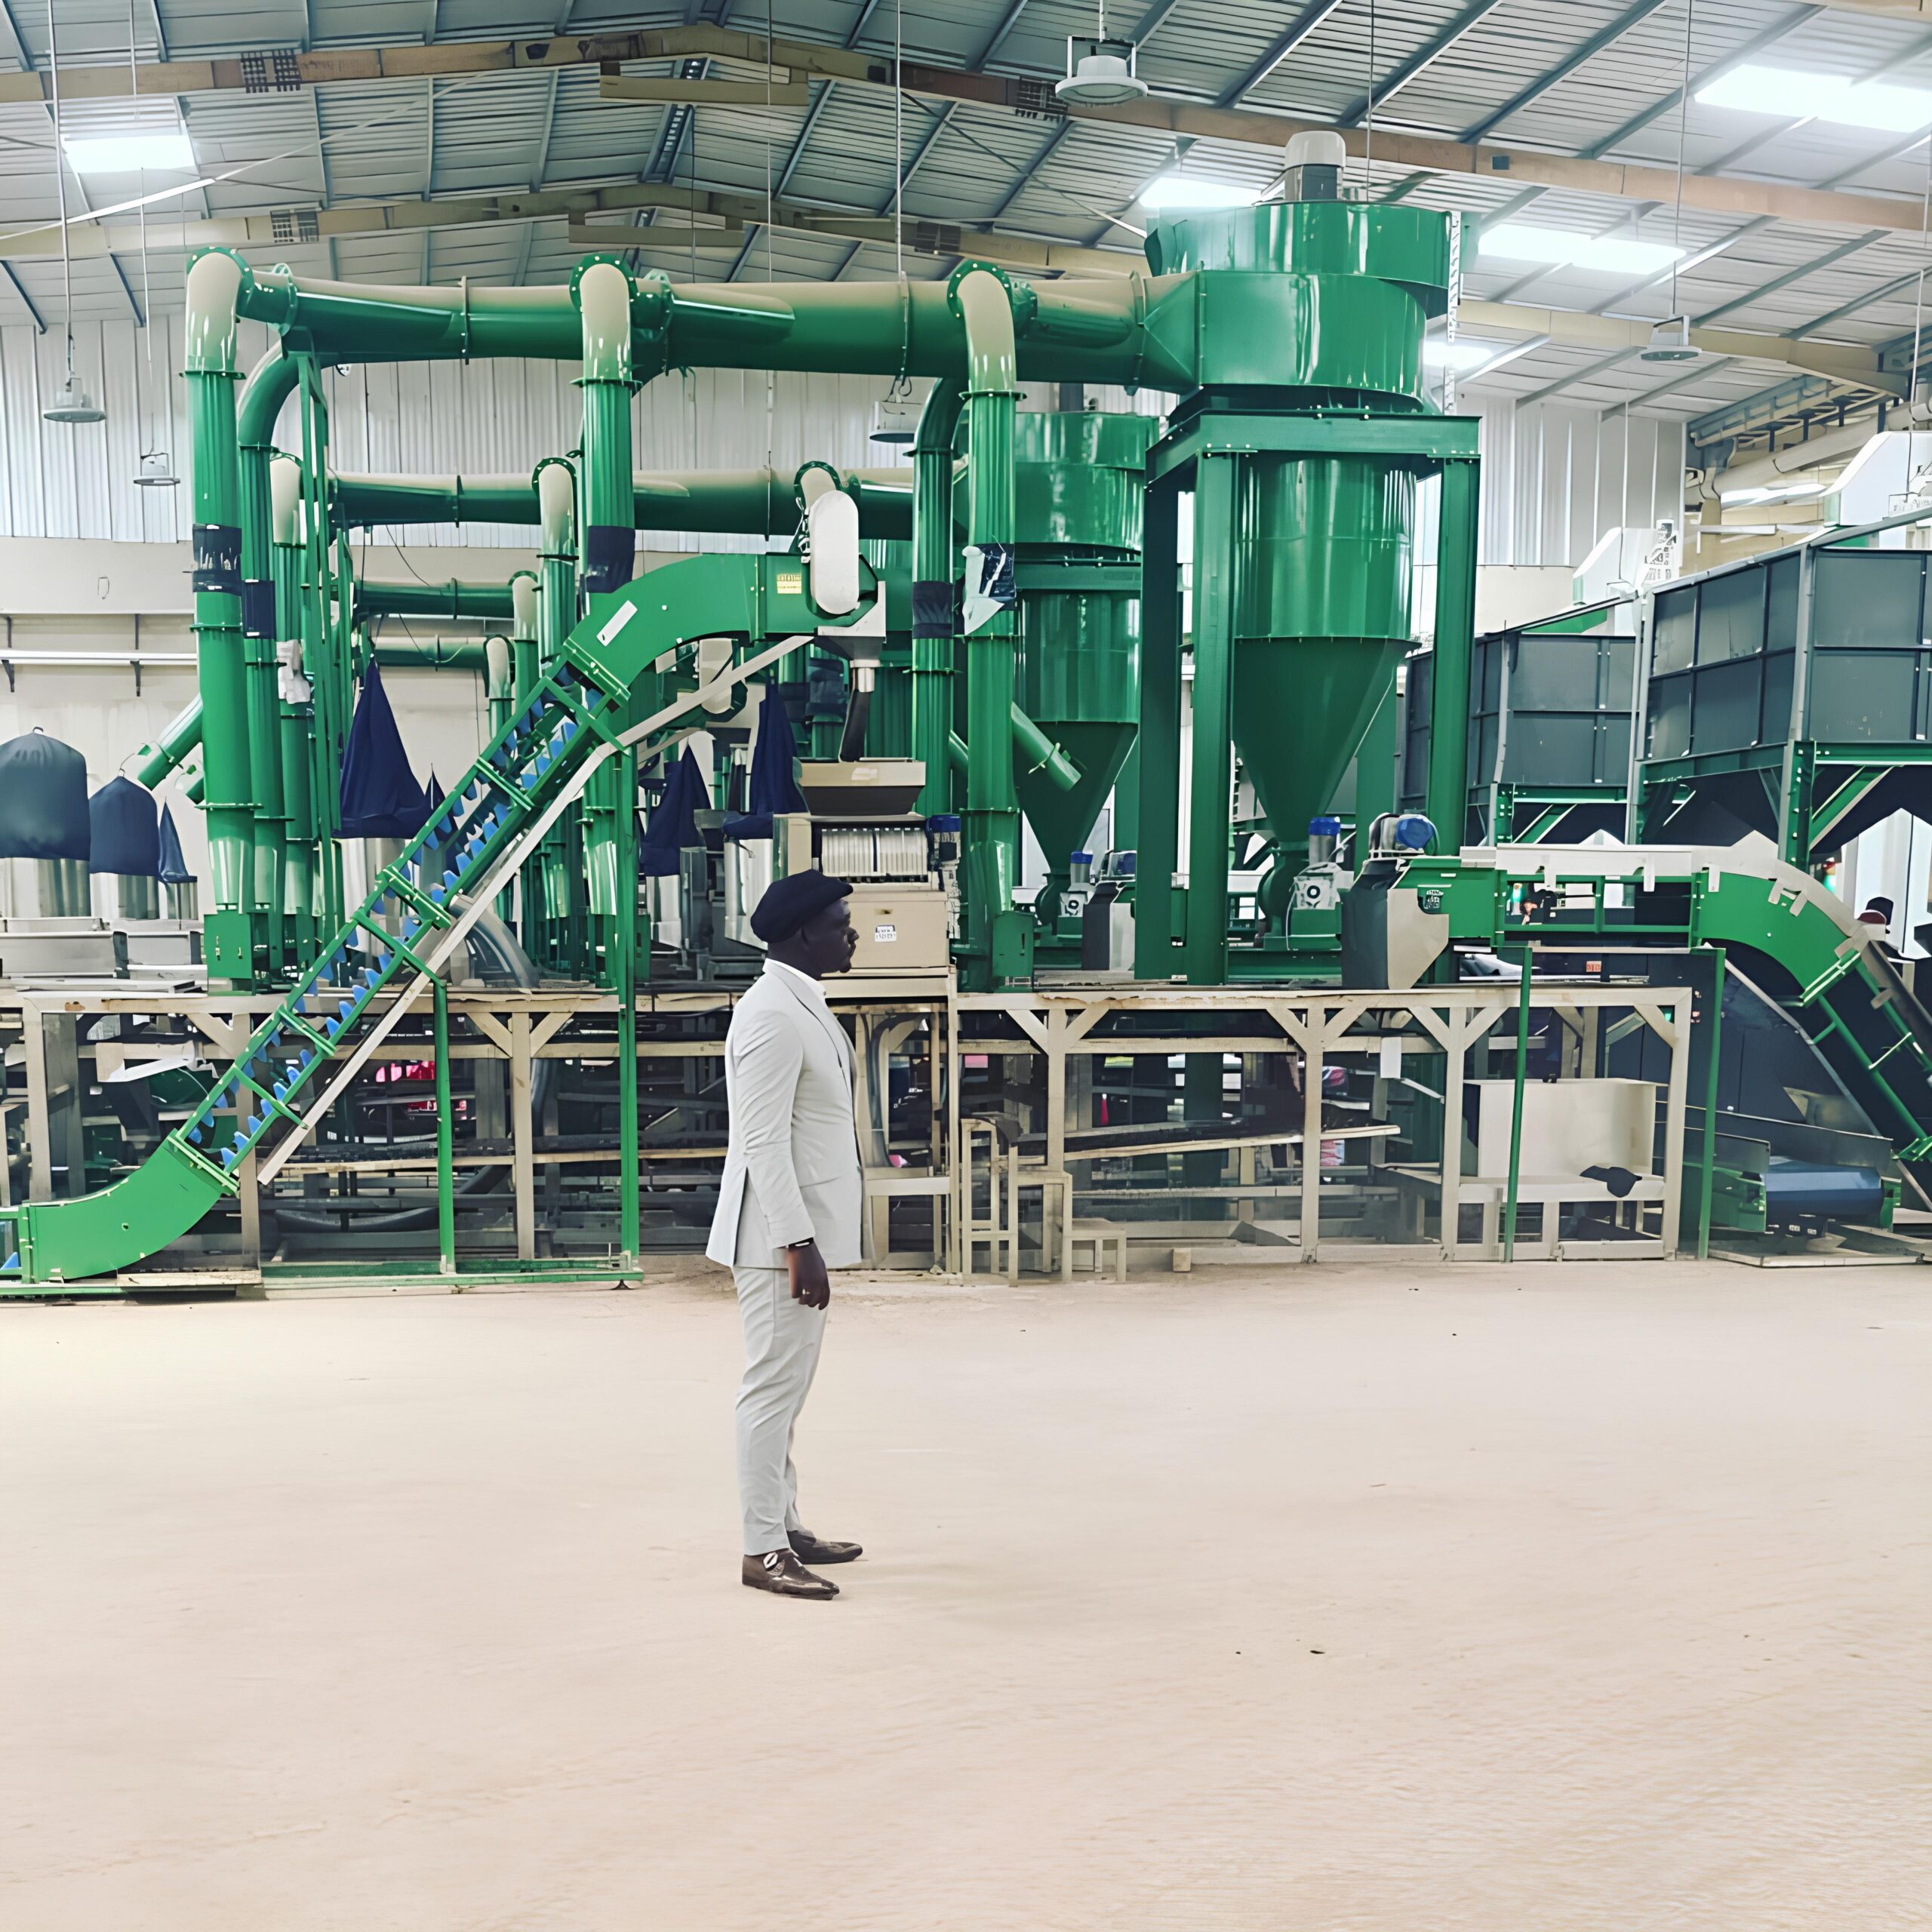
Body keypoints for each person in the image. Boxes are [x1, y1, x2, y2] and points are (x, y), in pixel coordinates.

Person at [706, 869, 863, 1601]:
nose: (852, 935)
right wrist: (797, 1245)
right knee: (769, 1392)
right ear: (803, 934)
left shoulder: (801, 1002)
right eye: (840, 925)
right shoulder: (770, 1014)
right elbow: (762, 1142)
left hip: (795, 1236)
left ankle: (785, 1523)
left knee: (787, 1390)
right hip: (775, 1242)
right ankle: (761, 1549)